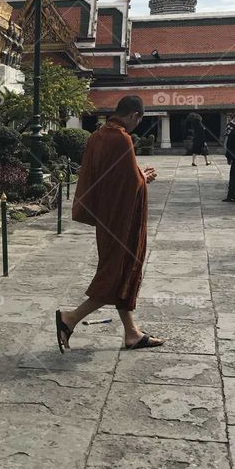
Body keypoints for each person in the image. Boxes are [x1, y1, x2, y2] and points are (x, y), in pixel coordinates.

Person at [56, 95, 163, 351]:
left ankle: (131, 333)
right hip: (122, 223)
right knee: (114, 274)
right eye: (139, 120)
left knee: (120, 271)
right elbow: (128, 184)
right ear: (136, 115)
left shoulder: (98, 135)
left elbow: (113, 177)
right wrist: (143, 178)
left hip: (107, 217)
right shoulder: (122, 138)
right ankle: (69, 318)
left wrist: (138, 175)